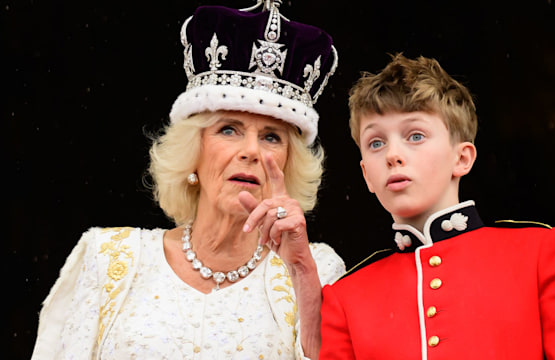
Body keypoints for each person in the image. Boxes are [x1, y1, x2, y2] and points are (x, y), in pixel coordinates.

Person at [31, 2, 345, 359]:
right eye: (229, 129)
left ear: (289, 163)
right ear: (193, 150)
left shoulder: (316, 267)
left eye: (272, 137)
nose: (252, 151)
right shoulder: (108, 259)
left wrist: (300, 270)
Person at [318, 54, 555, 359]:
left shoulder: (537, 253)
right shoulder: (346, 297)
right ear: (366, 175)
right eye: (376, 143)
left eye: (415, 136)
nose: (392, 154)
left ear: (462, 158)